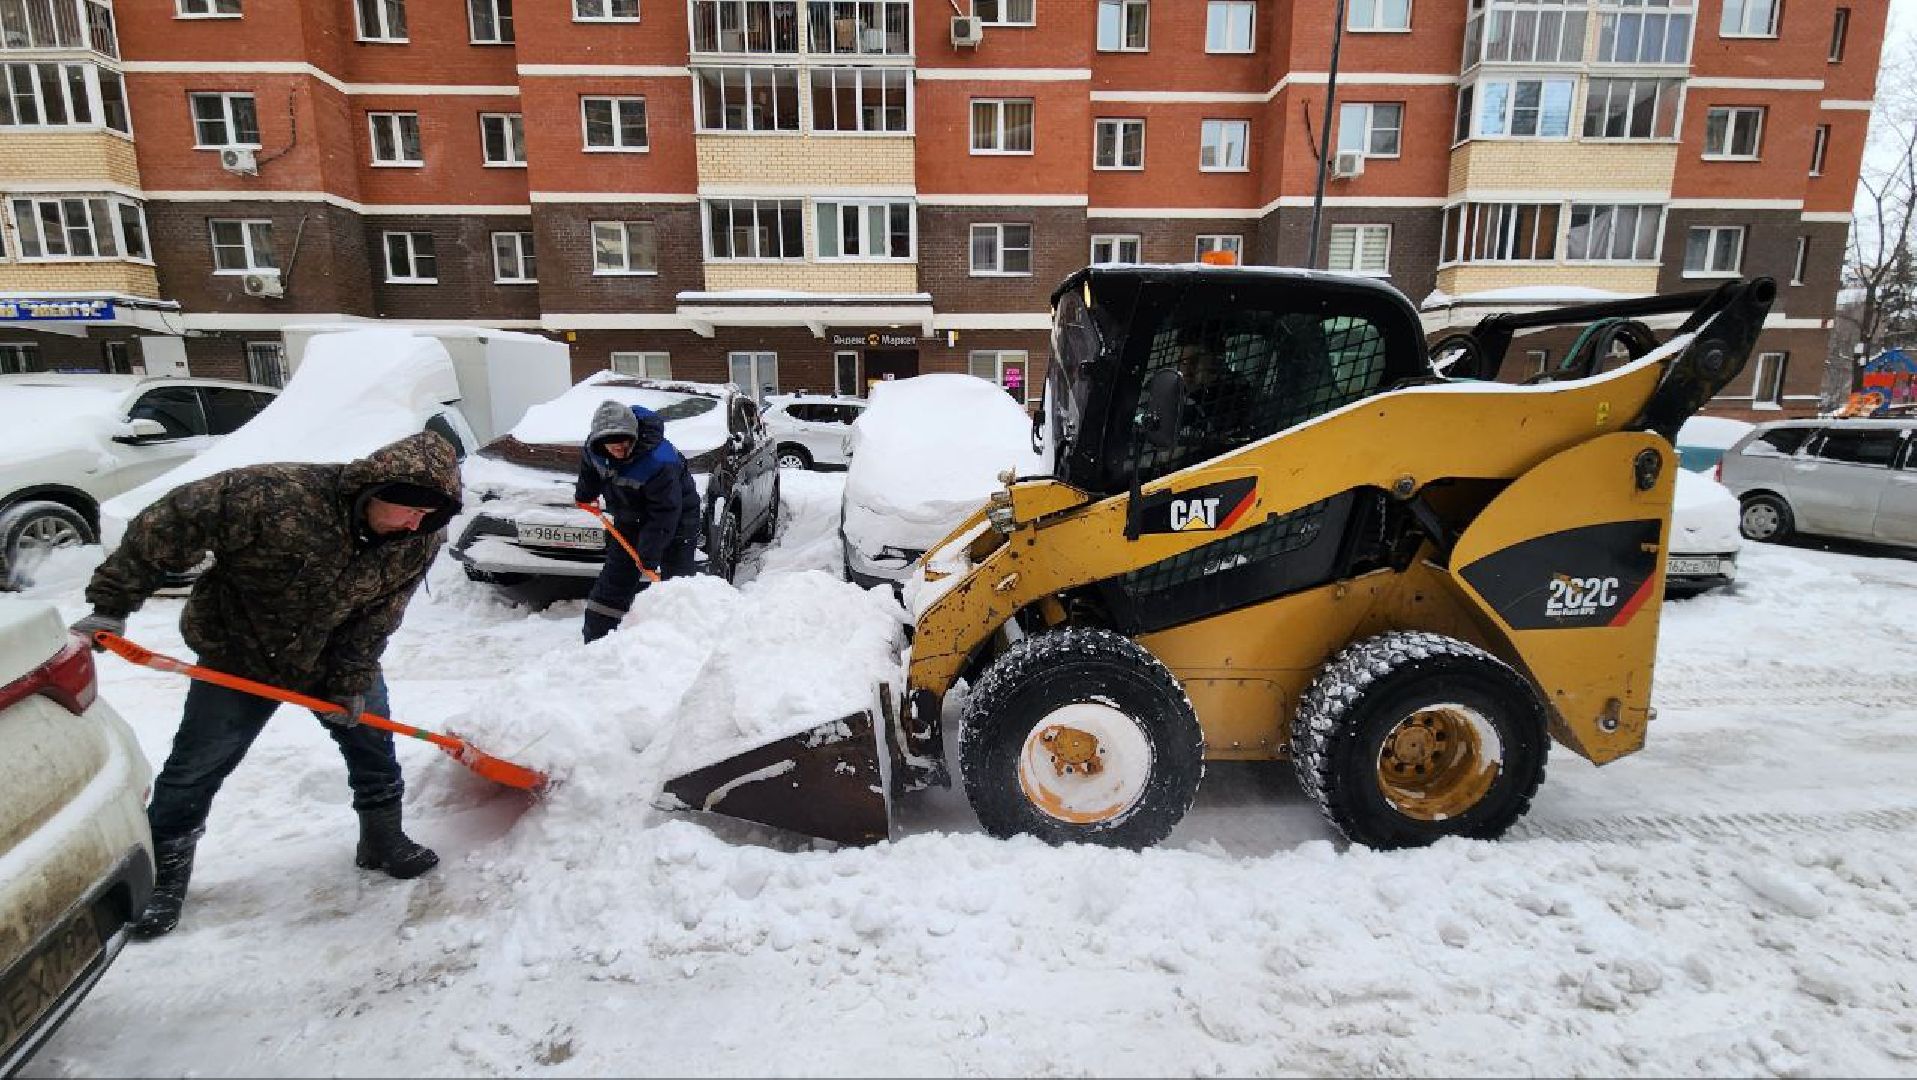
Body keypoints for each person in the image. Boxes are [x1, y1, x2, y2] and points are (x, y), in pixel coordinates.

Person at [67, 431, 462, 939]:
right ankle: (162, 879)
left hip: (331, 654)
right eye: (408, 509)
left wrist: (349, 679)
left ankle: (382, 839)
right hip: (239, 654)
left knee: (372, 744)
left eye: (430, 515)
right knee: (197, 765)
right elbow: (169, 524)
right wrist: (110, 606)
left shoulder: (418, 536)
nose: (417, 522)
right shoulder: (275, 495)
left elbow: (380, 613)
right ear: (372, 490)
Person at [575, 399, 700, 643]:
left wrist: (649, 555)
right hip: (629, 516)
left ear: (634, 435)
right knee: (616, 576)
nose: (619, 447)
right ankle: (596, 641)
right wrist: (585, 495)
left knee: (677, 583)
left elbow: (665, 513)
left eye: (624, 440)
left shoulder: (659, 461)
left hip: (677, 517)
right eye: (613, 443)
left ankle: (685, 640)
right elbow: (590, 468)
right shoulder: (595, 449)